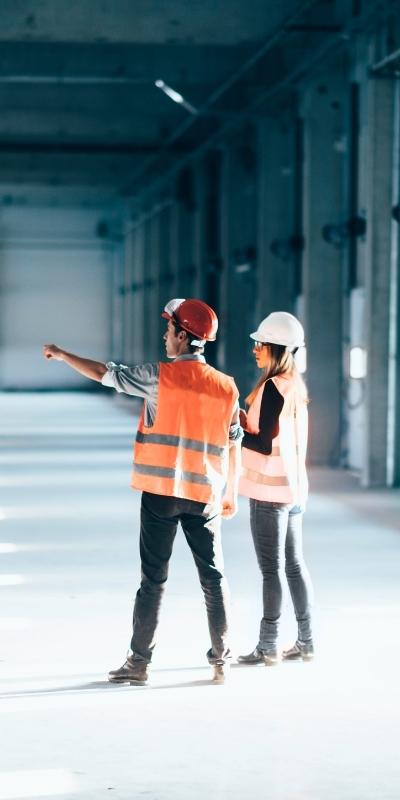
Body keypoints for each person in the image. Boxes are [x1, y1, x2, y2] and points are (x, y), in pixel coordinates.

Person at [43, 298, 242, 684]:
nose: (165, 336)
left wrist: (64, 354)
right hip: (205, 496)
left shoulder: (159, 377)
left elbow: (105, 373)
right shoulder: (227, 388)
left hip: (161, 493)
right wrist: (229, 492)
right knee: (213, 577)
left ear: (183, 337)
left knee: (154, 579)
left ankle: (139, 663)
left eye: (169, 330)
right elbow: (233, 439)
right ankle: (221, 660)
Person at [237, 311, 314, 666]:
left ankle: (268, 645)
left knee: (271, 570)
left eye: (260, 343)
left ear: (275, 348)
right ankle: (306, 641)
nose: (255, 349)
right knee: (295, 566)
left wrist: (234, 433)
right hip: (294, 490)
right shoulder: (294, 385)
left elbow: (263, 445)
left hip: (269, 494)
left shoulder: (271, 387)